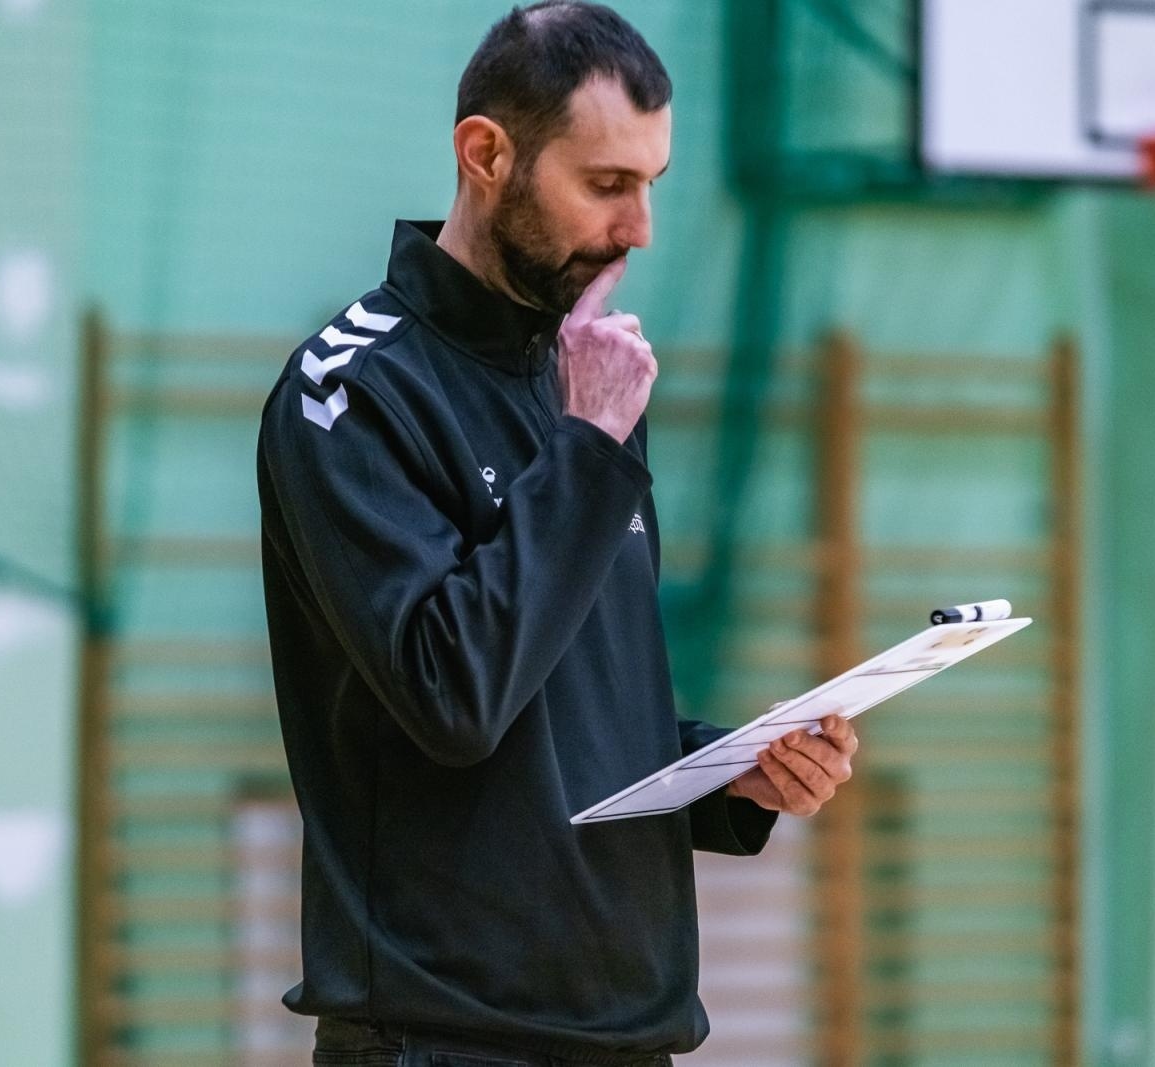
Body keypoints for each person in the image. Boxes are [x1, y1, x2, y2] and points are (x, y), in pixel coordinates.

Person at [256, 3, 860, 1063]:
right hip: (442, 1037)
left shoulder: (584, 384)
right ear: (486, 154)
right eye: (606, 184)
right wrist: (586, 445)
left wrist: (735, 769)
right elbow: (456, 697)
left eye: (652, 185)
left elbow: (574, 713)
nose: (640, 231)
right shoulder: (349, 391)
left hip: (630, 1037)